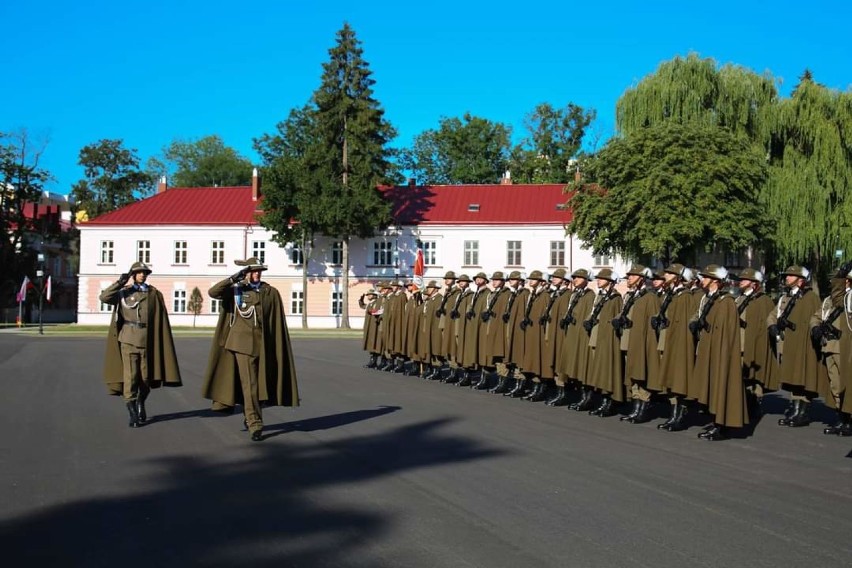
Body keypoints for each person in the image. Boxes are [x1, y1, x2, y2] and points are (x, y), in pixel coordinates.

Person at [202, 257, 299, 441]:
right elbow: (213, 292)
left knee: (263, 385)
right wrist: (233, 279)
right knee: (251, 385)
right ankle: (255, 423)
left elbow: (274, 321)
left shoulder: (269, 292)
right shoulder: (236, 290)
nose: (257, 274)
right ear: (246, 273)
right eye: (253, 271)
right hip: (242, 344)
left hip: (265, 345)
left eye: (259, 271)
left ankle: (249, 414)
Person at [100, 262, 182, 428]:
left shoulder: (153, 294)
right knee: (131, 377)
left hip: (148, 340)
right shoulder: (124, 292)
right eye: (139, 272)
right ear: (133, 275)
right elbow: (104, 297)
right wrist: (120, 281)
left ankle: (140, 401)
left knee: (146, 378)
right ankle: (132, 413)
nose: (142, 275)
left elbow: (159, 317)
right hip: (129, 339)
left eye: (145, 272)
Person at [688, 265, 748, 441]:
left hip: (720, 352)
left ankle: (721, 426)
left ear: (715, 280)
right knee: (712, 386)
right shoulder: (709, 299)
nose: (702, 280)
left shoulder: (726, 302)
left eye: (706, 277)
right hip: (708, 349)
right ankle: (715, 421)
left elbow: (726, 333)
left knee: (720, 385)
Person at [768, 265, 828, 428]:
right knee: (794, 378)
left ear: (800, 280)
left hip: (805, 345)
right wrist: (772, 325)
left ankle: (803, 412)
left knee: (803, 377)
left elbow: (815, 319)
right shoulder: (786, 297)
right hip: (790, 344)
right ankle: (795, 410)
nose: (787, 278)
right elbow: (774, 314)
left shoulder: (811, 298)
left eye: (790, 275)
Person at [616, 265, 661, 424]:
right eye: (628, 276)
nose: (629, 278)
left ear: (641, 278)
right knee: (633, 373)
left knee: (642, 373)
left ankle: (643, 407)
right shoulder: (630, 296)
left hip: (642, 341)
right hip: (629, 339)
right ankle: (635, 407)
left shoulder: (650, 297)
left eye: (632, 276)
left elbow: (653, 325)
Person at [733, 268, 777, 419]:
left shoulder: (763, 300)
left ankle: (754, 403)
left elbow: (763, 326)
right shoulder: (738, 299)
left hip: (752, 343)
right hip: (738, 343)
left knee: (753, 376)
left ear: (754, 283)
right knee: (740, 375)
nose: (741, 282)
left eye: (744, 280)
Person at [584, 268, 625, 416]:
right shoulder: (600, 297)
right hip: (598, 336)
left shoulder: (615, 298)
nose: (598, 280)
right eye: (598, 278)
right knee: (599, 369)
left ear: (610, 281)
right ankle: (602, 399)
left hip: (609, 338)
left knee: (607, 370)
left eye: (602, 278)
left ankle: (609, 402)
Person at [359, 288, 381, 368]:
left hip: (374, 325)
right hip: (369, 324)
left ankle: (374, 361)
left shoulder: (376, 302)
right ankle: (372, 360)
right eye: (367, 295)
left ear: (374, 295)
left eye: (369, 295)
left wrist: (372, 311)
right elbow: (363, 306)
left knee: (373, 342)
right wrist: (361, 300)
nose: (368, 296)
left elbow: (378, 311)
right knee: (370, 342)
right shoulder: (370, 303)